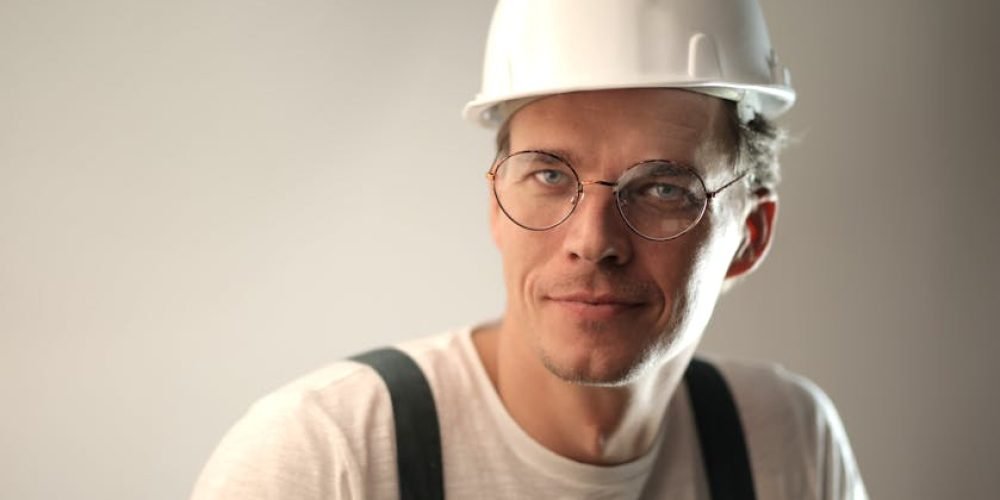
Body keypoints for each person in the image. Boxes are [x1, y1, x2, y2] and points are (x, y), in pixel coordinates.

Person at [192, 0, 868, 498]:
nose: (593, 241)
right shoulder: (324, 457)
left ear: (749, 236)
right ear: (496, 204)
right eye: (549, 176)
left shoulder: (786, 443)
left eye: (662, 187)